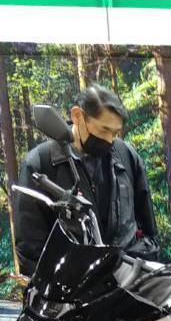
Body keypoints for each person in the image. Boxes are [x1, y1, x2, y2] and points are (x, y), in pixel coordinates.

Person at [14, 84, 159, 273]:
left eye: (115, 133)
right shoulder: (40, 163)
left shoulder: (126, 155)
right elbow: (30, 249)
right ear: (77, 115)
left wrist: (141, 265)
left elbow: (148, 228)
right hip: (73, 285)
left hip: (128, 280)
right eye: (104, 130)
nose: (110, 140)